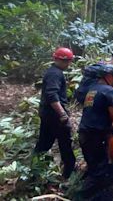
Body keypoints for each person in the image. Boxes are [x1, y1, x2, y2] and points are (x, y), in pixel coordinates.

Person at [78, 64, 113, 197]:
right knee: (100, 170)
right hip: (95, 135)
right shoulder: (108, 90)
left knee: (93, 165)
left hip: (84, 132)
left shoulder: (91, 89)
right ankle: (82, 196)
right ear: (108, 76)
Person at [34, 47, 76, 179]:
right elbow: (52, 95)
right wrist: (62, 114)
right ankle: (68, 174)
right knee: (65, 143)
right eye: (67, 61)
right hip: (54, 115)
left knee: (44, 143)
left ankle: (34, 168)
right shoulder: (55, 74)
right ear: (61, 60)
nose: (69, 64)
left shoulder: (53, 72)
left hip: (48, 113)